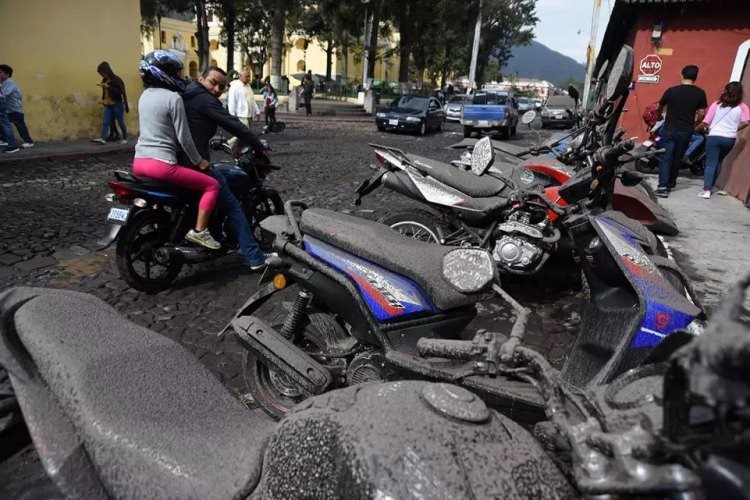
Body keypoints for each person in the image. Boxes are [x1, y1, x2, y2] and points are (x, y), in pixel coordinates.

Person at [179, 66, 271, 270]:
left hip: (171, 161)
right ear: (200, 78)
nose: (216, 89)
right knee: (233, 206)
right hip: (194, 163)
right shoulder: (205, 100)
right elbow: (233, 124)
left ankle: (212, 230)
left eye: (221, 86)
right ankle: (255, 258)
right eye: (213, 82)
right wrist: (257, 144)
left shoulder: (184, 95)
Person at [134, 51, 221, 250]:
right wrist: (200, 161)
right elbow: (184, 138)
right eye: (174, 72)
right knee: (212, 186)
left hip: (139, 163)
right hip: (162, 165)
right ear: (164, 74)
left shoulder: (144, 96)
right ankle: (200, 232)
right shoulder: (173, 98)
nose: (178, 76)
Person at [654, 65, 707, 197]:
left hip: (670, 129)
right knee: (677, 158)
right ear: (695, 78)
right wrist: (695, 123)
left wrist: (660, 115)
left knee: (666, 157)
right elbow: (701, 113)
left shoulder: (672, 91)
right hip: (686, 130)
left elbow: (660, 106)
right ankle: (671, 182)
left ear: (682, 75)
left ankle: (662, 187)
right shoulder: (700, 93)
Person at [696, 81, 749, 199]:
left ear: (726, 91)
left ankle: (706, 190)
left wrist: (695, 129)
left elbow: (706, 122)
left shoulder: (717, 104)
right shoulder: (742, 107)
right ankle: (712, 186)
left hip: (714, 136)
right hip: (729, 138)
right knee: (719, 161)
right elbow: (746, 122)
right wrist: (736, 128)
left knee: (710, 163)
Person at [92, 62, 129, 145]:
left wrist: (109, 87)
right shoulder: (105, 80)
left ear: (106, 71)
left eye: (102, 73)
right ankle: (103, 138)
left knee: (120, 122)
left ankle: (125, 138)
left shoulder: (117, 80)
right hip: (108, 104)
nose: (102, 75)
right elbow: (105, 92)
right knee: (106, 122)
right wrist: (103, 99)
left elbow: (120, 92)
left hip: (117, 104)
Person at [0, 64, 34, 151]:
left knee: (20, 125)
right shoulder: (3, 82)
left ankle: (28, 141)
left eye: (1, 72)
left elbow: (4, 94)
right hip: (8, 109)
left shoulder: (9, 82)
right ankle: (4, 139)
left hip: (15, 108)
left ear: (7, 74)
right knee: (4, 123)